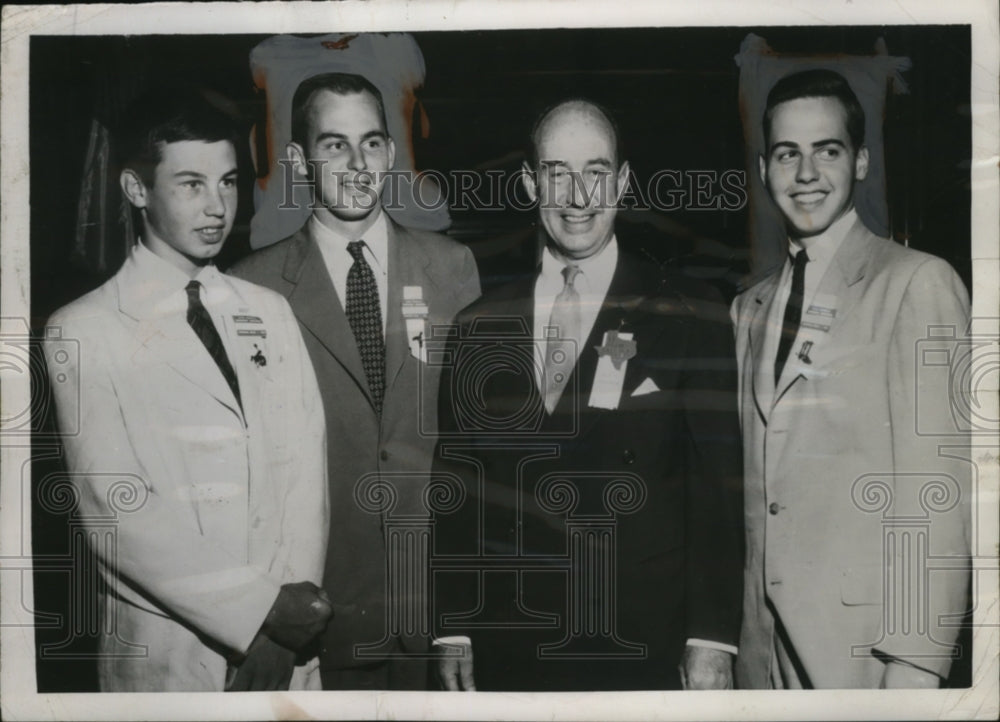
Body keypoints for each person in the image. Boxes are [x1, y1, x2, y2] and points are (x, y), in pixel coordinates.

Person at [433, 99, 744, 692]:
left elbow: (716, 492)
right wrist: (455, 627)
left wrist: (711, 638)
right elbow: (458, 486)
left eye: (596, 172)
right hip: (513, 641)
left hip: (643, 635)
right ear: (530, 183)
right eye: (557, 173)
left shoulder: (690, 310)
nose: (578, 196)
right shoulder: (479, 324)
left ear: (622, 183)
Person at [43, 87, 332, 692]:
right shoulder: (83, 328)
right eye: (191, 184)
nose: (217, 207)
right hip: (170, 655)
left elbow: (307, 475)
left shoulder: (269, 311)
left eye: (228, 183)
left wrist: (290, 622)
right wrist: (255, 617)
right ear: (135, 189)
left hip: (288, 642)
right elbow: (116, 512)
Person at [229, 72, 481, 690]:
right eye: (334, 144)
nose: (357, 163)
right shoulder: (250, 288)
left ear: (391, 155)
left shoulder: (452, 267)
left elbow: (480, 454)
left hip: (439, 619)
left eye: (371, 143)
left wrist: (468, 613)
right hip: (318, 620)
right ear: (298, 160)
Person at [731, 68, 970, 689]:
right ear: (764, 170)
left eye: (826, 151)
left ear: (861, 162)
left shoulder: (918, 283)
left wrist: (915, 667)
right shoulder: (747, 309)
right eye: (788, 154)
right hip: (762, 659)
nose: (806, 173)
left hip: (867, 660)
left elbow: (935, 495)